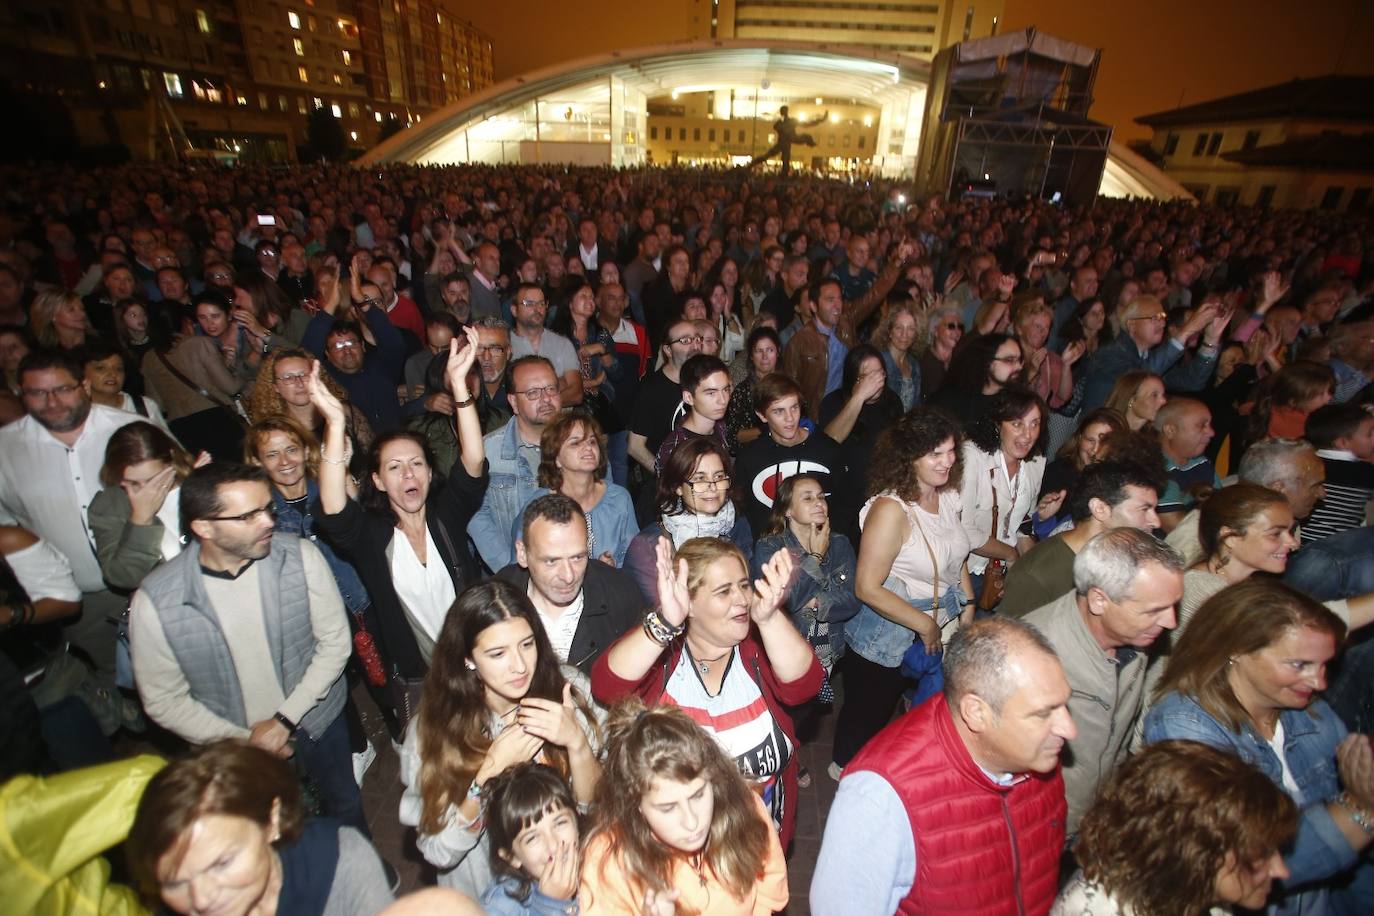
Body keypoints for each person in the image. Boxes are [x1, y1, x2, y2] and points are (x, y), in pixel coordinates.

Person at [128, 462, 363, 833]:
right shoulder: (157, 601)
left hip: (317, 721)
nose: (269, 522)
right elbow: (163, 699)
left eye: (266, 509)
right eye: (248, 516)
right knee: (274, 831)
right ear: (203, 527)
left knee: (345, 803)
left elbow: (335, 642)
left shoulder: (299, 557)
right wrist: (246, 742)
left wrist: (284, 720)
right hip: (234, 745)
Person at [811, 617, 1075, 915]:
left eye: (1065, 705)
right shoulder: (881, 797)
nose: (1068, 728)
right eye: (1043, 713)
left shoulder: (1040, 758)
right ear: (977, 712)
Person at [1144, 580, 1374, 914]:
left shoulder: (1310, 711)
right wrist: (1362, 809)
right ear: (1236, 649)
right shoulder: (1183, 728)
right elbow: (1241, 867)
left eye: (1324, 665)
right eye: (1299, 665)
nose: (1320, 682)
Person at [593, 536, 821, 846]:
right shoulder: (663, 658)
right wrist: (665, 622)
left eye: (743, 585)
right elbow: (607, 686)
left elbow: (805, 686)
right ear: (690, 604)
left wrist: (769, 619)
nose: (742, 599)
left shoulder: (758, 648)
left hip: (761, 847)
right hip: (678, 856)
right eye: (724, 591)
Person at [397, 579, 603, 898]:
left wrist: (577, 744)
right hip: (492, 899)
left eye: (527, 644)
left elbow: (596, 812)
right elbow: (438, 851)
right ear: (467, 658)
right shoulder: (432, 733)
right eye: (497, 653)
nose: (519, 666)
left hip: (575, 884)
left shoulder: (567, 692)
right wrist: (489, 771)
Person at [313, 332, 487, 690]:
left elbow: (473, 461)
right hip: (421, 681)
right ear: (377, 481)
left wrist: (459, 388)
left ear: (429, 471)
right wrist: (334, 424)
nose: (408, 474)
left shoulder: (446, 517)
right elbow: (333, 509)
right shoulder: (372, 537)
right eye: (394, 467)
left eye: (416, 464)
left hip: (477, 667)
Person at [831, 407, 973, 777]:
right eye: (935, 454)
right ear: (910, 458)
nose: (948, 461)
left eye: (951, 451)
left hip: (940, 623)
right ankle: (848, 776)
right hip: (888, 634)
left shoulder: (950, 496)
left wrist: (968, 607)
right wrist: (924, 625)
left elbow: (958, 555)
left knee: (918, 715)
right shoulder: (890, 509)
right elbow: (866, 586)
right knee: (867, 719)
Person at [1022, 529, 1184, 835]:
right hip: (1043, 825)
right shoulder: (1032, 654)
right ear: (1099, 601)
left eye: (1173, 605)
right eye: (1155, 610)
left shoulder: (1137, 635)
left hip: (1094, 816)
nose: (1171, 622)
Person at [0, 350, 141, 686]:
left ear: (84, 386)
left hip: (148, 580)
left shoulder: (129, 430)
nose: (52, 402)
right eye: (37, 392)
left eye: (62, 389)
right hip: (80, 600)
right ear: (21, 393)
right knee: (118, 676)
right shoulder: (6, 449)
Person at [127, 740, 393, 916]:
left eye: (221, 863)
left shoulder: (341, 864)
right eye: (175, 883)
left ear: (272, 821)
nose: (201, 900)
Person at [578, 700, 789, 915]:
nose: (692, 822)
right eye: (668, 808)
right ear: (636, 804)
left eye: (698, 795)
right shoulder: (606, 863)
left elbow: (769, 886)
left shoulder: (744, 807)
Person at [1053, 740, 1297, 916]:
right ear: (1196, 853)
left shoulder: (1192, 888)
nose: (1281, 871)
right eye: (1261, 855)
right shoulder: (1096, 910)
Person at [498, 493, 643, 673]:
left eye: (577, 558)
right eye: (551, 561)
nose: (568, 576)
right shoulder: (495, 601)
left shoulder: (621, 595)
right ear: (522, 553)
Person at [1000, 460, 1163, 618]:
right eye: (1144, 509)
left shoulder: (1125, 561)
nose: (1156, 522)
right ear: (1100, 509)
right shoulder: (1038, 575)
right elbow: (1008, 642)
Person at [751, 473, 861, 693]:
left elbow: (853, 600)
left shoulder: (840, 544)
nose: (819, 503)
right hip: (786, 652)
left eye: (821, 497)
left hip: (829, 652)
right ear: (787, 510)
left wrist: (815, 602)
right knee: (793, 717)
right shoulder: (770, 548)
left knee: (813, 713)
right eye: (808, 498)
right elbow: (785, 603)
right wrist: (816, 559)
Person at [623, 437, 753, 605]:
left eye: (719, 476)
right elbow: (658, 611)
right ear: (677, 487)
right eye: (700, 479)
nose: (712, 487)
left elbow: (748, 588)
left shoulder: (737, 525)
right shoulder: (650, 545)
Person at [1167, 437, 1327, 567]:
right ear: (1278, 489)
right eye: (1315, 485)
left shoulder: (1286, 523)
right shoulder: (1201, 531)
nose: (1322, 494)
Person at [959, 386, 1055, 601]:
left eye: (1034, 424)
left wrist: (1026, 573)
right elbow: (964, 531)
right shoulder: (972, 457)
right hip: (964, 570)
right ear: (997, 424)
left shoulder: (1036, 462)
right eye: (1017, 424)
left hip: (1000, 576)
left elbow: (1023, 523)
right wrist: (1010, 555)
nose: (1027, 434)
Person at [507, 412, 637, 568]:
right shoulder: (538, 507)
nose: (588, 447)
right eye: (575, 443)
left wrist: (611, 568)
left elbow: (634, 560)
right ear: (556, 458)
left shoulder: (619, 498)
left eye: (592, 441)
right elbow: (520, 568)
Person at [470, 355, 563, 573]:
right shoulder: (488, 452)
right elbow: (476, 516)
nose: (546, 399)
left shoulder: (583, 445)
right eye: (532, 393)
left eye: (551, 388)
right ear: (513, 402)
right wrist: (511, 570)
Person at [87, 421, 204, 593]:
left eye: (154, 480)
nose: (146, 490)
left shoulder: (200, 482)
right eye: (133, 483)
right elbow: (123, 577)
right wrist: (141, 519)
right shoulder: (111, 505)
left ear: (170, 461)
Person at [732, 372, 848, 537]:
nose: (790, 418)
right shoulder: (749, 459)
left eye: (794, 408)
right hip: (769, 553)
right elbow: (743, 514)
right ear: (762, 415)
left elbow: (844, 506)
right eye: (779, 411)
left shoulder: (828, 451)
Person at [141, 291, 248, 459]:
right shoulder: (199, 344)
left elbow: (156, 404)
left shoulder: (149, 358)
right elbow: (231, 387)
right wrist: (243, 371)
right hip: (216, 421)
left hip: (180, 428)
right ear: (186, 321)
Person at [1080, 294, 1226, 413]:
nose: (1162, 324)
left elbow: (1192, 381)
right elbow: (1138, 379)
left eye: (1163, 318)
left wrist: (1210, 340)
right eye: (1154, 318)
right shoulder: (1109, 353)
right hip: (1097, 437)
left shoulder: (1149, 357)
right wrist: (1187, 330)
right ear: (1132, 325)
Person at [818, 343, 902, 537]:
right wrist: (860, 396)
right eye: (867, 376)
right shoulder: (834, 402)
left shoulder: (892, 402)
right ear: (854, 379)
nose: (876, 381)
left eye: (879, 374)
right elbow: (829, 440)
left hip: (880, 497)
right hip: (844, 501)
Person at [479, 763, 583, 916]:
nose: (553, 845)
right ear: (511, 857)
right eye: (532, 838)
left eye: (560, 823)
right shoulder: (500, 906)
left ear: (577, 820)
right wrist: (551, 905)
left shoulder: (600, 869)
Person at [627, 318, 702, 477]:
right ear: (668, 350)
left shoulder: (704, 381)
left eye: (697, 339)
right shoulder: (652, 390)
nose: (695, 345)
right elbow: (635, 446)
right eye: (685, 340)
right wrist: (666, 476)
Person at [1036, 407, 1129, 533]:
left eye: (1104, 443)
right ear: (1079, 438)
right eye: (1090, 440)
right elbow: (1048, 535)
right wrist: (1044, 518)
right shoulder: (1058, 473)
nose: (1095, 449)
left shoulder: (1125, 481)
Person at [1303, 402, 1374, 543]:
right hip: (1338, 547)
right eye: (1370, 434)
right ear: (1342, 443)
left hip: (1302, 542)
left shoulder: (1304, 463)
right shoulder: (1365, 473)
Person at [653, 353, 732, 474]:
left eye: (726, 390)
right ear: (688, 397)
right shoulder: (676, 448)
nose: (723, 400)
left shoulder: (720, 426)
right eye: (711, 393)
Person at [927, 332, 1023, 430]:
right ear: (987, 362)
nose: (1019, 367)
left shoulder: (1018, 402)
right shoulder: (948, 401)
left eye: (1019, 360)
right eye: (1010, 360)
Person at [78, 341, 172, 433]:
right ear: (82, 373)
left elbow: (167, 445)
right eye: (101, 368)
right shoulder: (78, 414)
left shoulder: (143, 406)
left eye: (119, 369)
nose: (112, 374)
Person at [1155, 398, 1219, 528]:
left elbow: (1225, 504)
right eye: (1202, 426)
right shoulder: (1156, 469)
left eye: (1210, 425)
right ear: (1170, 430)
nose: (1211, 433)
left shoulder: (1201, 462)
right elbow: (1177, 530)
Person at [723, 324, 779, 451]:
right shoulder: (742, 391)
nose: (765, 357)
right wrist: (771, 427)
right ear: (751, 356)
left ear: (778, 352)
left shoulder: (789, 386)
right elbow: (733, 438)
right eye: (759, 351)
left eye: (770, 350)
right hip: (754, 454)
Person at [746, 103, 826, 177]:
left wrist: (819, 120)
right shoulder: (784, 122)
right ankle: (750, 166)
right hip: (784, 143)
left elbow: (807, 124)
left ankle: (750, 166)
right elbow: (806, 124)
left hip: (786, 142)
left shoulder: (785, 122)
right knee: (774, 158)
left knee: (780, 159)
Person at [870, 298, 922, 410]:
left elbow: (916, 408)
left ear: (916, 334)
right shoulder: (877, 362)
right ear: (889, 331)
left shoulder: (915, 365)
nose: (904, 334)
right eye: (899, 328)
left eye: (911, 329)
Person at [917, 304, 963, 399]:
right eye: (951, 326)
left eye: (960, 327)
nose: (957, 331)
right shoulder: (924, 361)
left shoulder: (961, 357)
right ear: (935, 330)